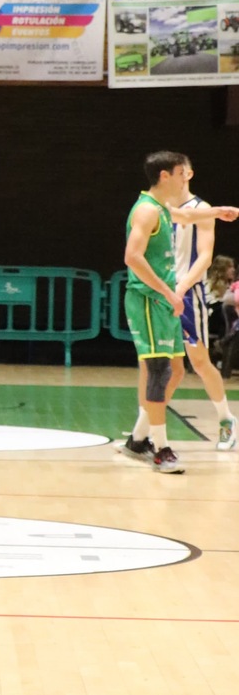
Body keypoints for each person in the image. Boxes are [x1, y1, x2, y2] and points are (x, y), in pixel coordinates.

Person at [118, 151, 237, 474]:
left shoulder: (163, 208)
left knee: (177, 369)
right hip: (151, 298)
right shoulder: (146, 210)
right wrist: (170, 290)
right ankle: (159, 448)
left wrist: (219, 211)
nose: (187, 176)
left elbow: (185, 218)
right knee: (158, 371)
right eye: (181, 171)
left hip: (171, 298)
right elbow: (132, 257)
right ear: (166, 176)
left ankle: (140, 440)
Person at [161, 160, 237, 451]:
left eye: (181, 171)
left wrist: (180, 288)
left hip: (188, 294)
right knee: (163, 366)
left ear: (189, 174)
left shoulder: (201, 209)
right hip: (162, 293)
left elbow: (205, 258)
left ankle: (226, 420)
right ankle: (143, 429)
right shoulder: (161, 209)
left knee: (200, 363)